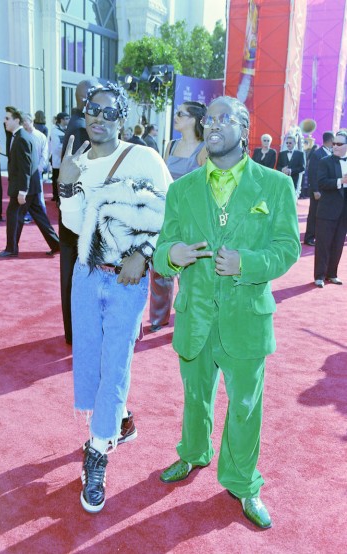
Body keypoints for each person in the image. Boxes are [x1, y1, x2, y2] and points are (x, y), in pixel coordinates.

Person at [153, 95, 300, 529]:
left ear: (244, 128)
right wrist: (172, 254)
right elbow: (161, 250)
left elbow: (288, 248)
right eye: (208, 118)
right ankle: (193, 453)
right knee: (194, 397)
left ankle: (243, 482)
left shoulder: (274, 186)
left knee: (245, 405)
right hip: (195, 315)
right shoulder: (181, 190)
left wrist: (248, 265)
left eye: (224, 118)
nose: (213, 124)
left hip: (246, 317)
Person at [58, 82, 172, 514]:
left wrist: (143, 255)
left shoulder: (143, 158)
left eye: (109, 112)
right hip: (86, 276)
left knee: (116, 362)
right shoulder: (78, 162)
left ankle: (98, 451)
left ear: (122, 120)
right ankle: (119, 419)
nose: (99, 118)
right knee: (88, 359)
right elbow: (72, 224)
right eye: (93, 110)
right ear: (84, 112)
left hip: (126, 279)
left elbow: (168, 209)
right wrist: (66, 185)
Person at [149, 101, 207, 332]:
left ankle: (189, 318)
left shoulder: (204, 149)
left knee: (189, 273)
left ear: (193, 119)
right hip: (165, 216)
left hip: (191, 219)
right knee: (160, 267)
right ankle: (158, 318)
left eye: (181, 114)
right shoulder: (170, 145)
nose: (176, 117)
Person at [59, 78, 99, 345]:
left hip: (71, 212)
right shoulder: (83, 129)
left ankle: (74, 331)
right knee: (78, 272)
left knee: (71, 270)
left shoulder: (75, 124)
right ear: (86, 100)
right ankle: (78, 331)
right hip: (79, 213)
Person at [0, 106, 59, 258]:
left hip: (25, 187)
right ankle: (56, 244)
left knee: (13, 214)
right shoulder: (20, 136)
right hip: (31, 185)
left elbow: (25, 167)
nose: (5, 121)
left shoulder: (22, 138)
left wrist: (23, 190)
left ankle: (11, 248)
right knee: (39, 216)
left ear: (17, 120)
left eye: (8, 118)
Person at [314, 130, 347, 288]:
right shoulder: (325, 161)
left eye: (339, 144)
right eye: (334, 143)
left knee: (338, 244)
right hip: (327, 211)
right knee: (323, 244)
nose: (335, 146)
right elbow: (322, 183)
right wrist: (341, 180)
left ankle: (332, 274)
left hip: (344, 212)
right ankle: (319, 276)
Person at [304, 131, 334, 246]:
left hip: (326, 190)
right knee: (313, 214)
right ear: (330, 140)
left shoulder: (330, 153)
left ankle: (317, 236)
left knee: (322, 214)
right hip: (317, 190)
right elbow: (312, 173)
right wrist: (315, 190)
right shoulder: (318, 154)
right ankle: (309, 237)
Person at [22, 112, 49, 210]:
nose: (24, 124)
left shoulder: (40, 136)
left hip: (37, 170)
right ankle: (27, 214)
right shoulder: (21, 135)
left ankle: (42, 213)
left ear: (31, 121)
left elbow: (44, 154)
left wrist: (40, 167)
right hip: (25, 170)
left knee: (39, 194)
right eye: (22, 122)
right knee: (25, 193)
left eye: (25, 122)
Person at [50, 112, 70, 201]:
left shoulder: (68, 129)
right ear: (61, 120)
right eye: (66, 118)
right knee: (56, 178)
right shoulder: (55, 131)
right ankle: (56, 195)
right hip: (58, 159)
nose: (68, 120)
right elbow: (56, 147)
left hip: (66, 159)